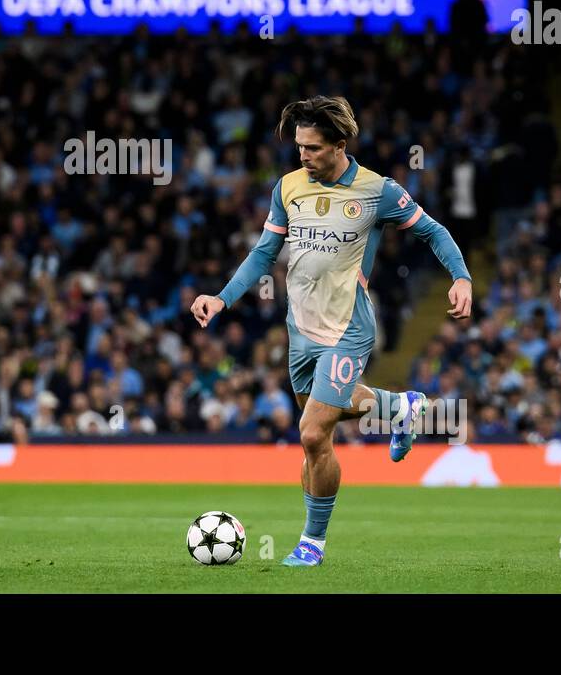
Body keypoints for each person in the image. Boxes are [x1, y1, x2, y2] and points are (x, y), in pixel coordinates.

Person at [190, 96, 473, 567]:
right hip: (300, 329)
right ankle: (400, 407)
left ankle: (312, 544)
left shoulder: (377, 190)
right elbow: (264, 254)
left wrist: (461, 276)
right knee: (321, 427)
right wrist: (221, 298)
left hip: (348, 327)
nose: (303, 156)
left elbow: (434, 232)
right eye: (299, 147)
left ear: (340, 146)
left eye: (314, 149)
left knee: (312, 433)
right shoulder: (288, 188)